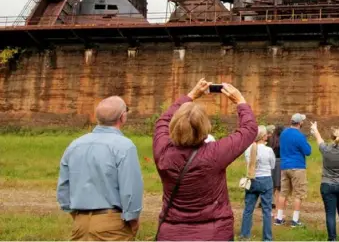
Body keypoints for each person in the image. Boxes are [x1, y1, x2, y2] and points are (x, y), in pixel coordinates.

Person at [153, 79, 257, 241]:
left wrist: (191, 95)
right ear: (204, 127)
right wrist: (240, 102)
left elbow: (162, 121)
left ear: (174, 125)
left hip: (172, 233)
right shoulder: (215, 154)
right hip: (213, 233)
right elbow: (249, 130)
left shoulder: (163, 152)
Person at [56, 96, 143, 241]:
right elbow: (131, 189)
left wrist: (77, 215)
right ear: (122, 117)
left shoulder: (75, 145)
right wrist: (133, 219)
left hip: (80, 222)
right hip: (112, 223)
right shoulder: (125, 146)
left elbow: (63, 187)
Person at [275, 113, 312, 227]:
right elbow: (308, 151)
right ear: (300, 123)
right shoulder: (300, 136)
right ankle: (295, 220)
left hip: (285, 166)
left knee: (283, 193)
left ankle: (279, 218)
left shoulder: (284, 133)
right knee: (298, 194)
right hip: (297, 167)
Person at [239, 126, 276, 241]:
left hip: (252, 179)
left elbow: (249, 163)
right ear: (264, 136)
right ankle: (267, 238)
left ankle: (244, 235)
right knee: (266, 210)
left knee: (248, 209)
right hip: (266, 180)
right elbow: (273, 166)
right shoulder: (268, 150)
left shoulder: (248, 149)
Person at [268, 125, 284, 210]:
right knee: (278, 188)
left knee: (272, 186)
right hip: (280, 163)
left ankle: (269, 204)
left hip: (271, 163)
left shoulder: (271, 140)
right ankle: (278, 209)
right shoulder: (283, 141)